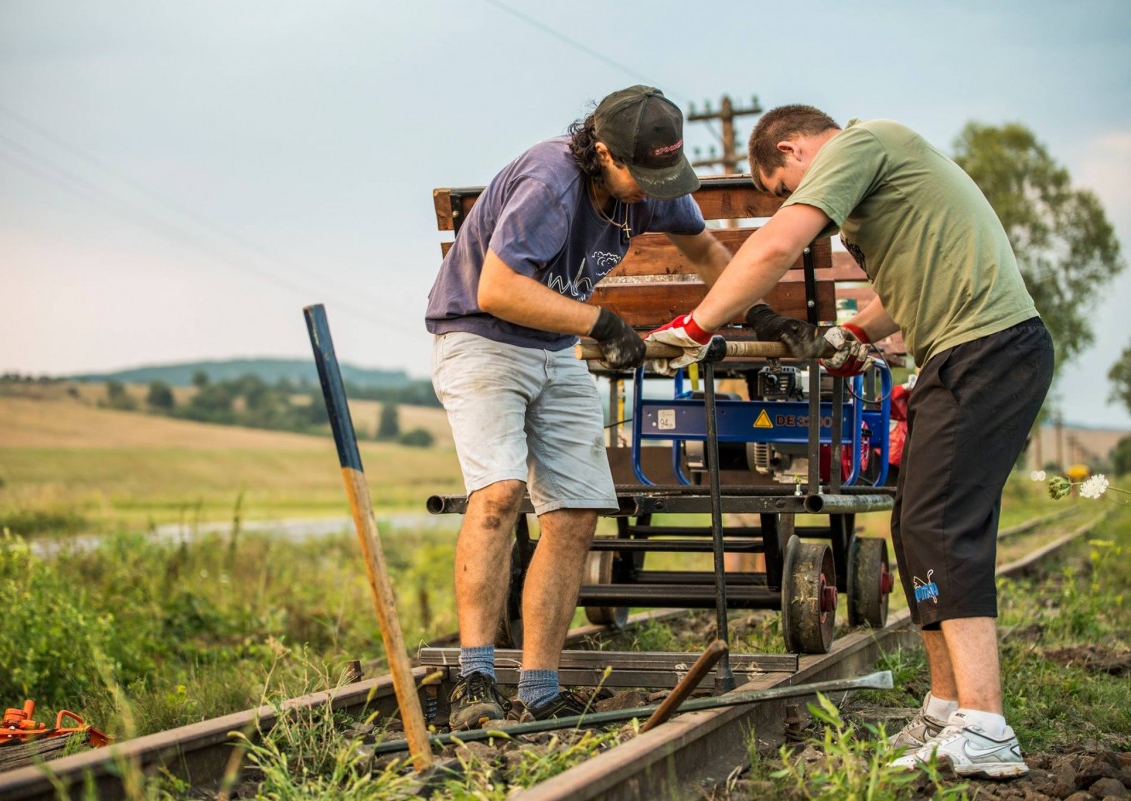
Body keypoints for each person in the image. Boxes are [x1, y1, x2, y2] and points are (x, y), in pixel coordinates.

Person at [646, 105, 1053, 779]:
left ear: (792, 149)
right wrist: (855, 334)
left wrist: (697, 325)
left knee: (944, 524)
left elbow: (775, 245)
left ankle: (987, 725)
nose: (797, 201)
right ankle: (947, 707)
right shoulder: (881, 187)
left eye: (783, 188)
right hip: (961, 353)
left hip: (987, 349)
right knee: (914, 526)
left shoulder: (861, 144)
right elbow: (903, 294)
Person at [425, 86, 731, 729]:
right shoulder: (550, 182)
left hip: (553, 348)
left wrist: (756, 310)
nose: (653, 192)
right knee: (500, 495)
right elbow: (498, 289)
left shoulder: (651, 178)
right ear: (603, 154)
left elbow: (705, 251)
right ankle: (473, 680)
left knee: (574, 512)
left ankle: (539, 690)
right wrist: (603, 323)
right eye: (641, 177)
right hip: (481, 339)